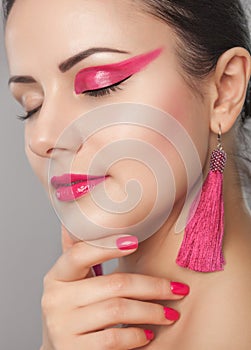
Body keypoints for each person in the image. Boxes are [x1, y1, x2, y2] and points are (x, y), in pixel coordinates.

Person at [3, 0, 251, 349]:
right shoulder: (73, 330)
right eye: (31, 105)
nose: (43, 137)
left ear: (225, 89)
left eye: (98, 85)